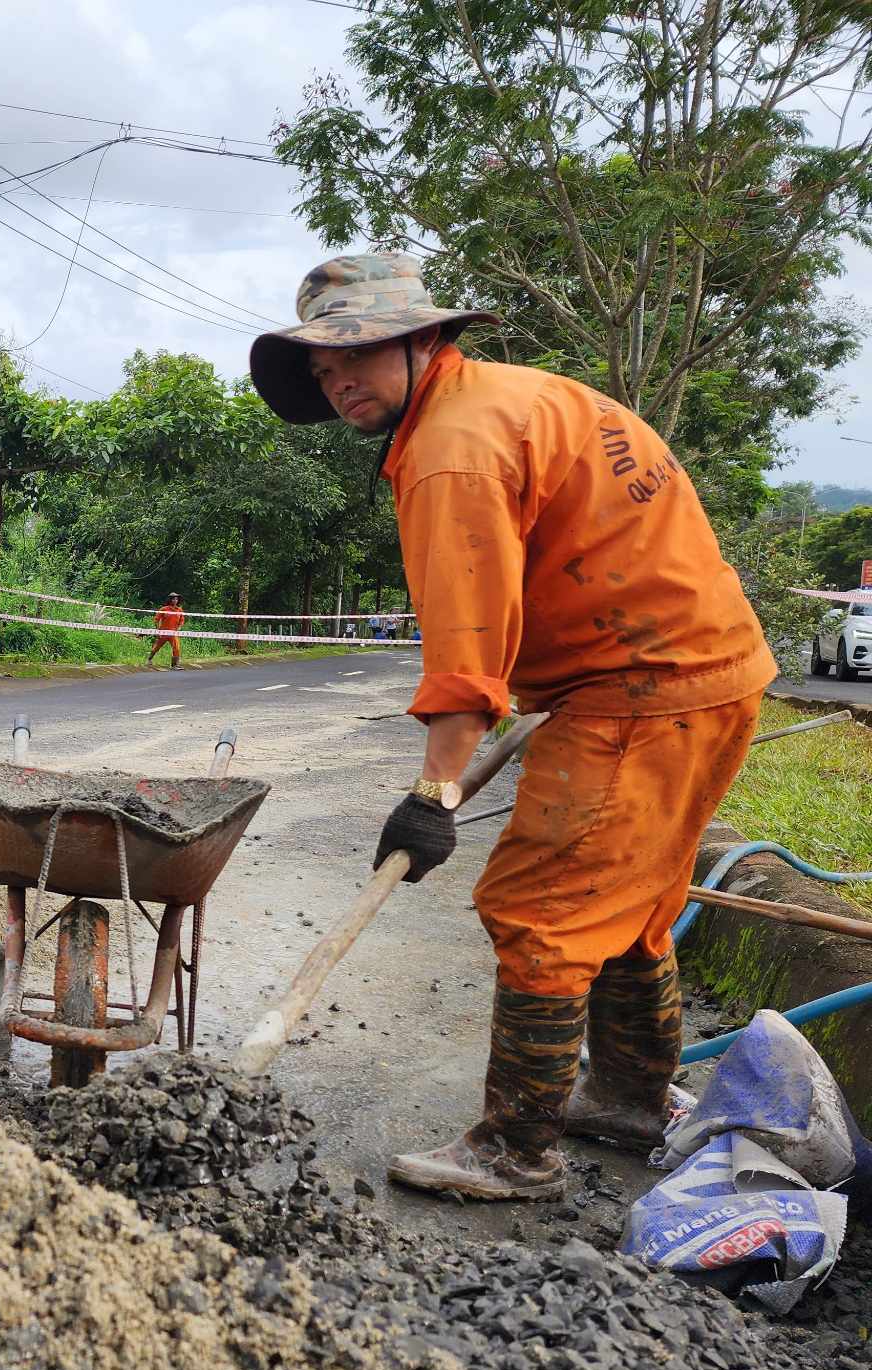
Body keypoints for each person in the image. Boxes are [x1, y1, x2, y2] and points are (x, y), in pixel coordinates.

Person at [249, 251, 775, 1201]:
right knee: (630, 905)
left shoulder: (453, 447)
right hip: (707, 670)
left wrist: (433, 792)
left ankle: (516, 1148)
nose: (339, 386)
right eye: (324, 372)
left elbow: (467, 647)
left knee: (539, 907)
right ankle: (626, 1097)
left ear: (423, 340)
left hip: (642, 688)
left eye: (356, 357)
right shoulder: (518, 397)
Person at [147, 593, 186, 669]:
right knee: (156, 647)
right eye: (173, 599)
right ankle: (149, 659)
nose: (175, 600)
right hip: (163, 632)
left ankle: (175, 665)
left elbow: (181, 621)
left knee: (176, 648)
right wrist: (158, 631)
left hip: (173, 633)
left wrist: (179, 628)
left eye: (176, 599)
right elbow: (156, 620)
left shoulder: (179, 610)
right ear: (170, 600)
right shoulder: (164, 609)